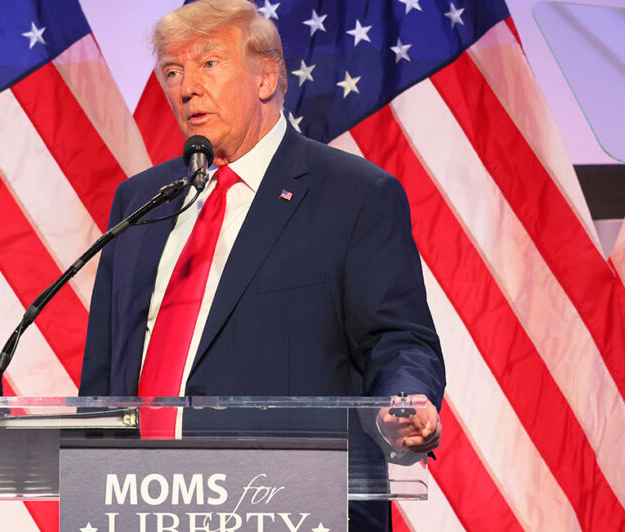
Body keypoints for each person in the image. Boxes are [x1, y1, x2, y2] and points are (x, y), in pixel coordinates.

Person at [79, 0, 444, 528]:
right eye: (173, 71)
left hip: (292, 508)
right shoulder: (141, 201)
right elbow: (103, 374)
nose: (186, 88)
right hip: (143, 508)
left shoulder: (354, 196)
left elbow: (396, 337)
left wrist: (404, 399)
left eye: (209, 63)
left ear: (266, 77)